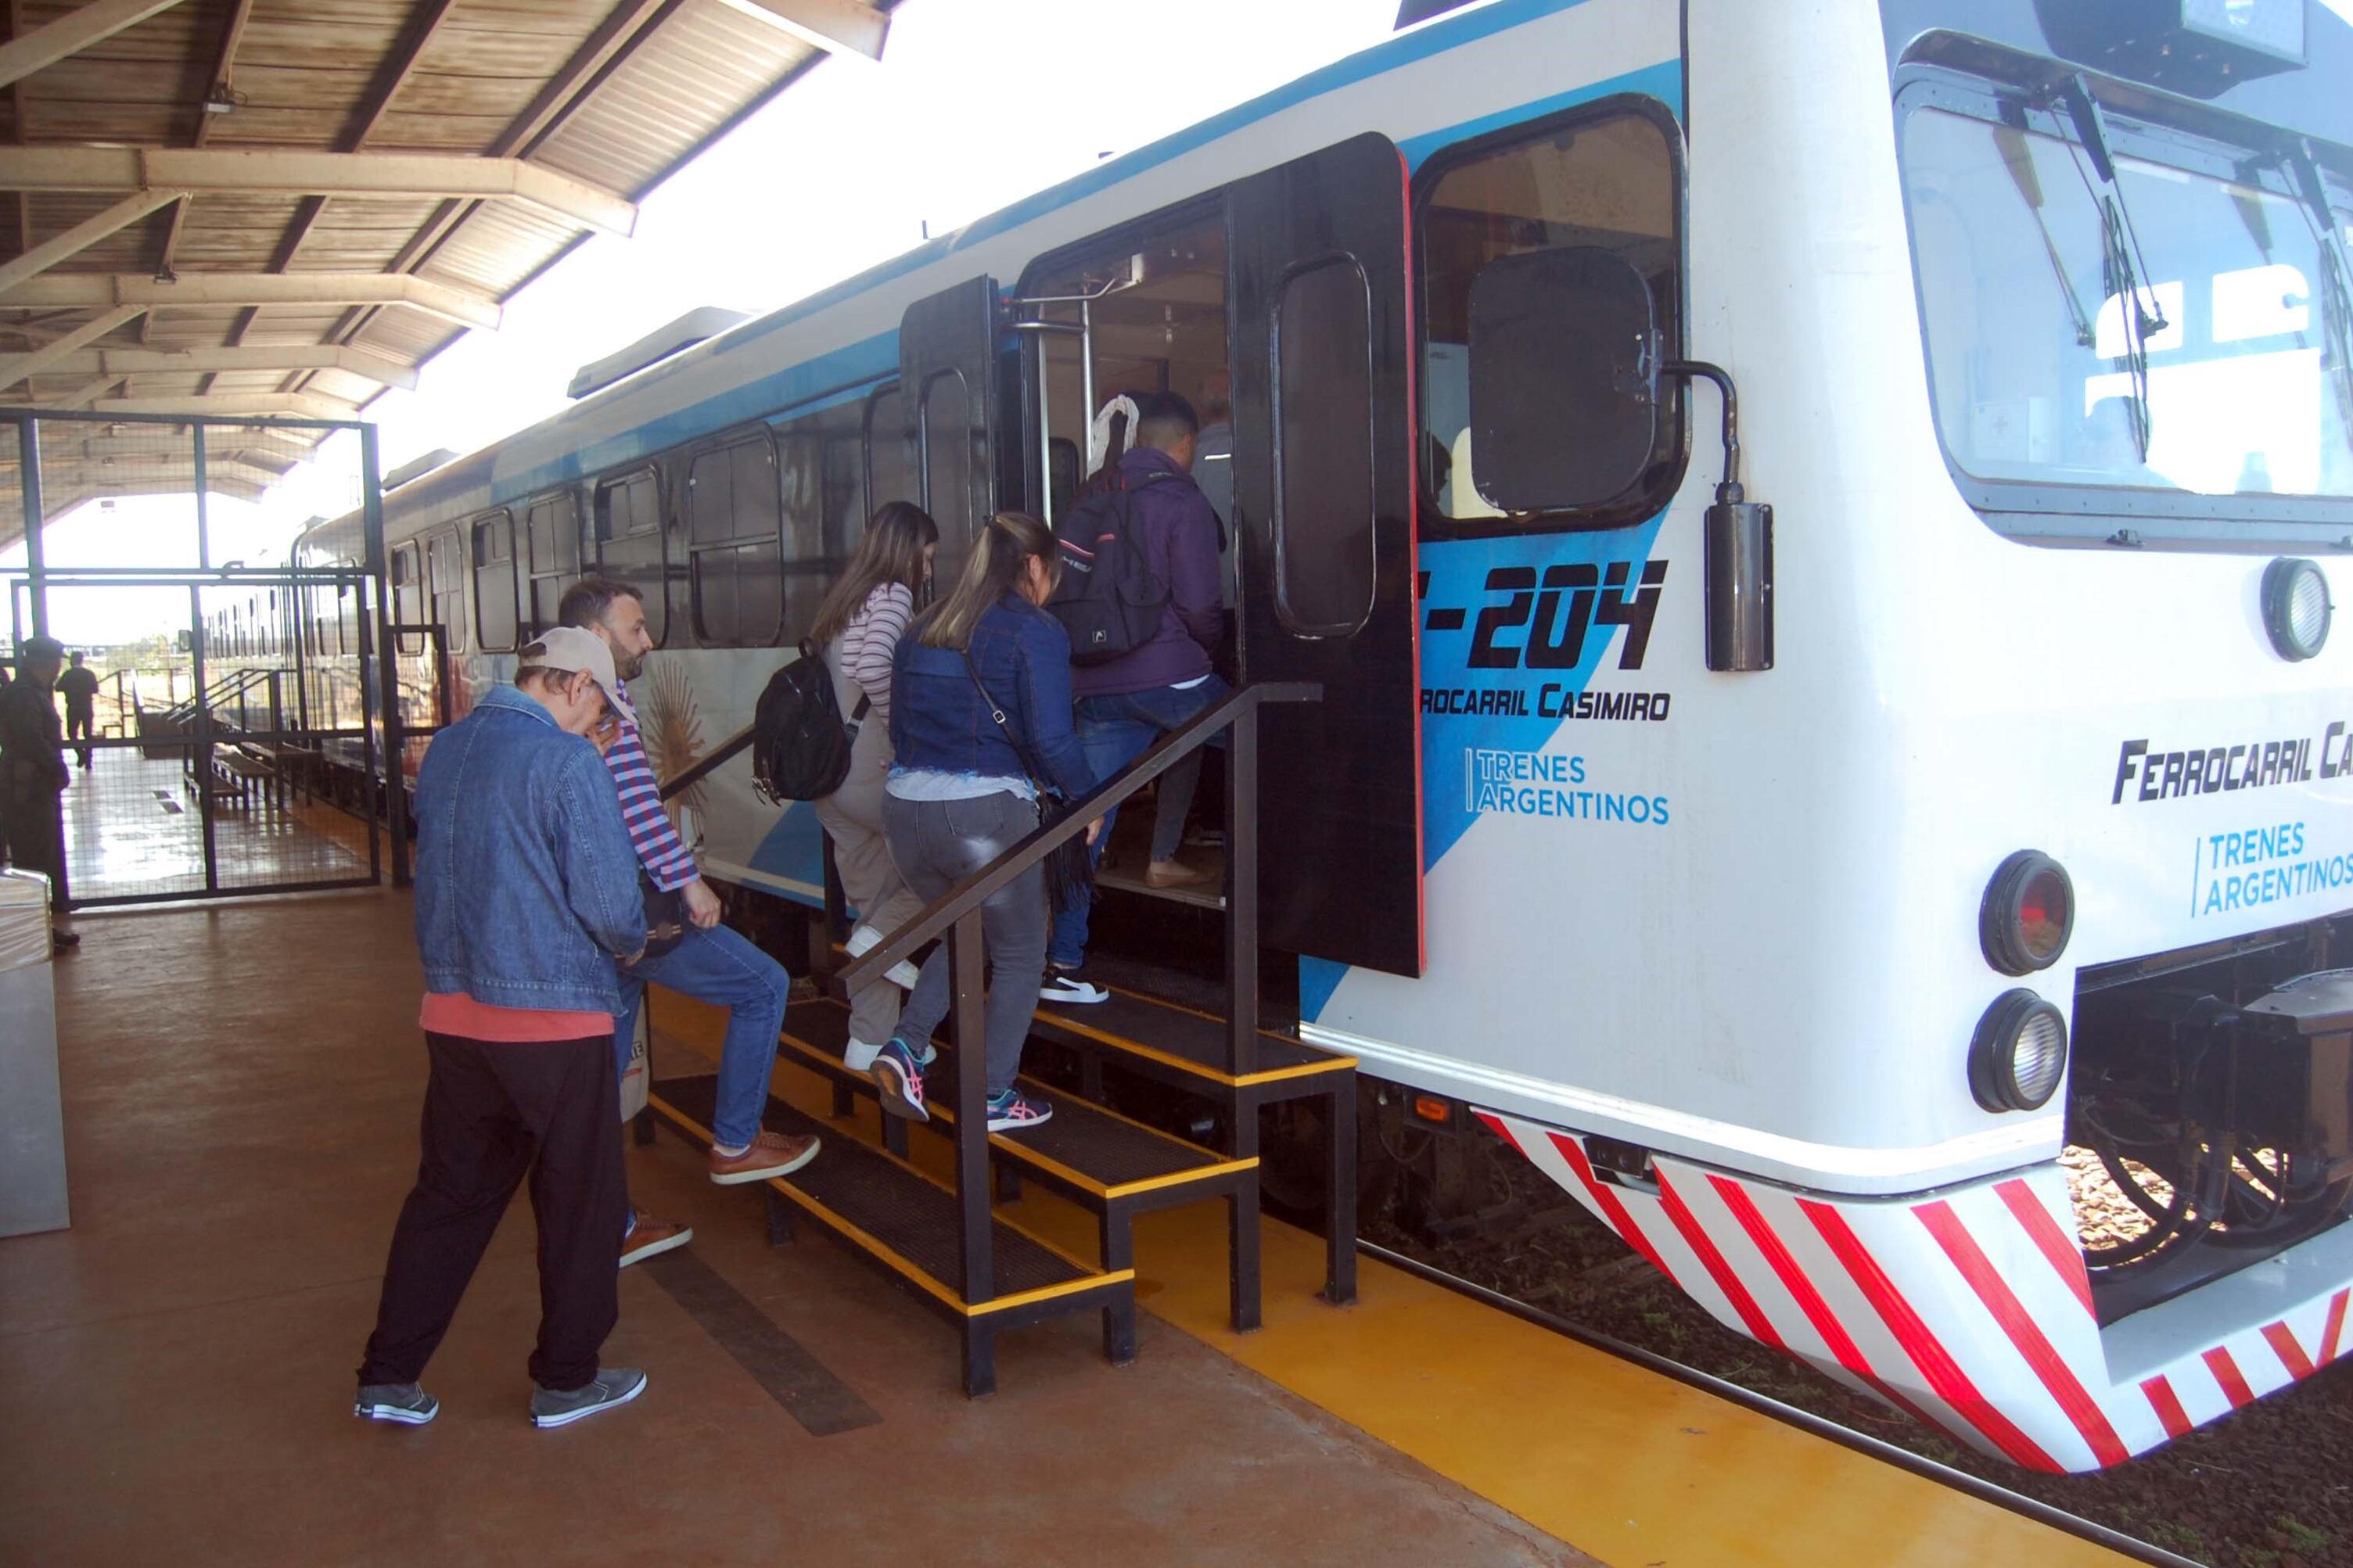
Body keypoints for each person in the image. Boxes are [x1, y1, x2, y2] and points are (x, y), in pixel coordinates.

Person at [355, 629, 652, 1430]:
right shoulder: (566, 762)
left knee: (448, 1197)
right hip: (554, 1020)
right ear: (576, 686)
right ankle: (566, 1378)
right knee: (581, 1203)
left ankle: (388, 1375)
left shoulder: (447, 751)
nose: (598, 727)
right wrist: (634, 940)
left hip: (455, 1015)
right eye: (600, 708)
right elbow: (608, 901)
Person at [559, 579, 816, 1204]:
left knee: (602, 1072)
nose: (647, 641)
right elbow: (638, 808)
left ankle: (602, 1223)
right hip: (629, 912)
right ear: (596, 637)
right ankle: (734, 1142)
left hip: (591, 917)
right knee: (764, 985)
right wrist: (690, 882)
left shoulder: (556, 697)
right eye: (636, 629)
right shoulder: (601, 698)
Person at [868, 511, 1100, 1132]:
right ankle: (992, 1094)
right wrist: (1088, 801)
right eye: (1052, 572)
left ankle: (908, 1046)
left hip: (904, 814)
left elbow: (898, 728)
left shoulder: (924, 626)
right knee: (1022, 950)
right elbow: (1052, 738)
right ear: (1032, 567)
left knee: (962, 930)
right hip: (982, 819)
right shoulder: (1036, 630)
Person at [1042, 391, 1228, 1003]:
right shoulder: (1184, 501)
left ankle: (1063, 959)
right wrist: (1202, 651)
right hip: (1172, 675)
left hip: (1094, 680)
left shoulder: (1093, 496)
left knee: (1087, 820)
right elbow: (1202, 605)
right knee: (1267, 741)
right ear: (1185, 446)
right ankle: (1283, 897)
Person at [810, 502, 939, 1072]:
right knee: (950, 866)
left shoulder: (845, 597)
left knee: (875, 900)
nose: (929, 571)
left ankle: (868, 1041)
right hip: (870, 767)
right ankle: (881, 942)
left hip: (829, 776)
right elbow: (872, 666)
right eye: (928, 557)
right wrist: (904, 730)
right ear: (906, 550)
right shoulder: (891, 593)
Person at [0, 636, 77, 953]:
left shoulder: (32, 692)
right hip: (26, 788)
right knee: (32, 861)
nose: (60, 667)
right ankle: (34, 935)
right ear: (47, 662)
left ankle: (43, 929)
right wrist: (58, 766)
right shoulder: (22, 694)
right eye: (58, 660)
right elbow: (31, 739)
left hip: (34, 786)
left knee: (40, 859)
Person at [56, 652, 98, 770]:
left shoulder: (68, 674)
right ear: (82, 660)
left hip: (73, 707)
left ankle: (80, 753)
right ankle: (89, 761)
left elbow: (58, 687)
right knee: (88, 734)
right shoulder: (89, 674)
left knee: (72, 732)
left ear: (71, 661)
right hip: (87, 706)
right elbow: (95, 689)